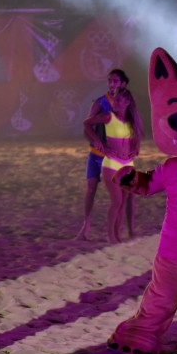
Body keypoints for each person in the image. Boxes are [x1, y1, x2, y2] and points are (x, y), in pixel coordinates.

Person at [82, 87, 143, 243]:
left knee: (123, 202)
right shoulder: (108, 117)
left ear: (127, 102)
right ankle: (110, 235)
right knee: (116, 201)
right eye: (114, 99)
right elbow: (87, 123)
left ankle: (117, 234)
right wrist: (96, 141)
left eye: (119, 100)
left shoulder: (131, 122)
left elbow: (135, 142)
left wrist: (135, 149)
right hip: (111, 164)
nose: (115, 102)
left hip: (128, 164)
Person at [76, 68, 129, 240]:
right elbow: (86, 127)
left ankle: (122, 229)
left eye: (115, 81)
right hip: (96, 154)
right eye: (109, 81)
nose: (111, 84)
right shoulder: (99, 103)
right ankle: (86, 226)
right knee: (91, 188)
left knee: (122, 193)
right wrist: (95, 141)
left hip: (116, 156)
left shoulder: (127, 104)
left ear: (123, 84)